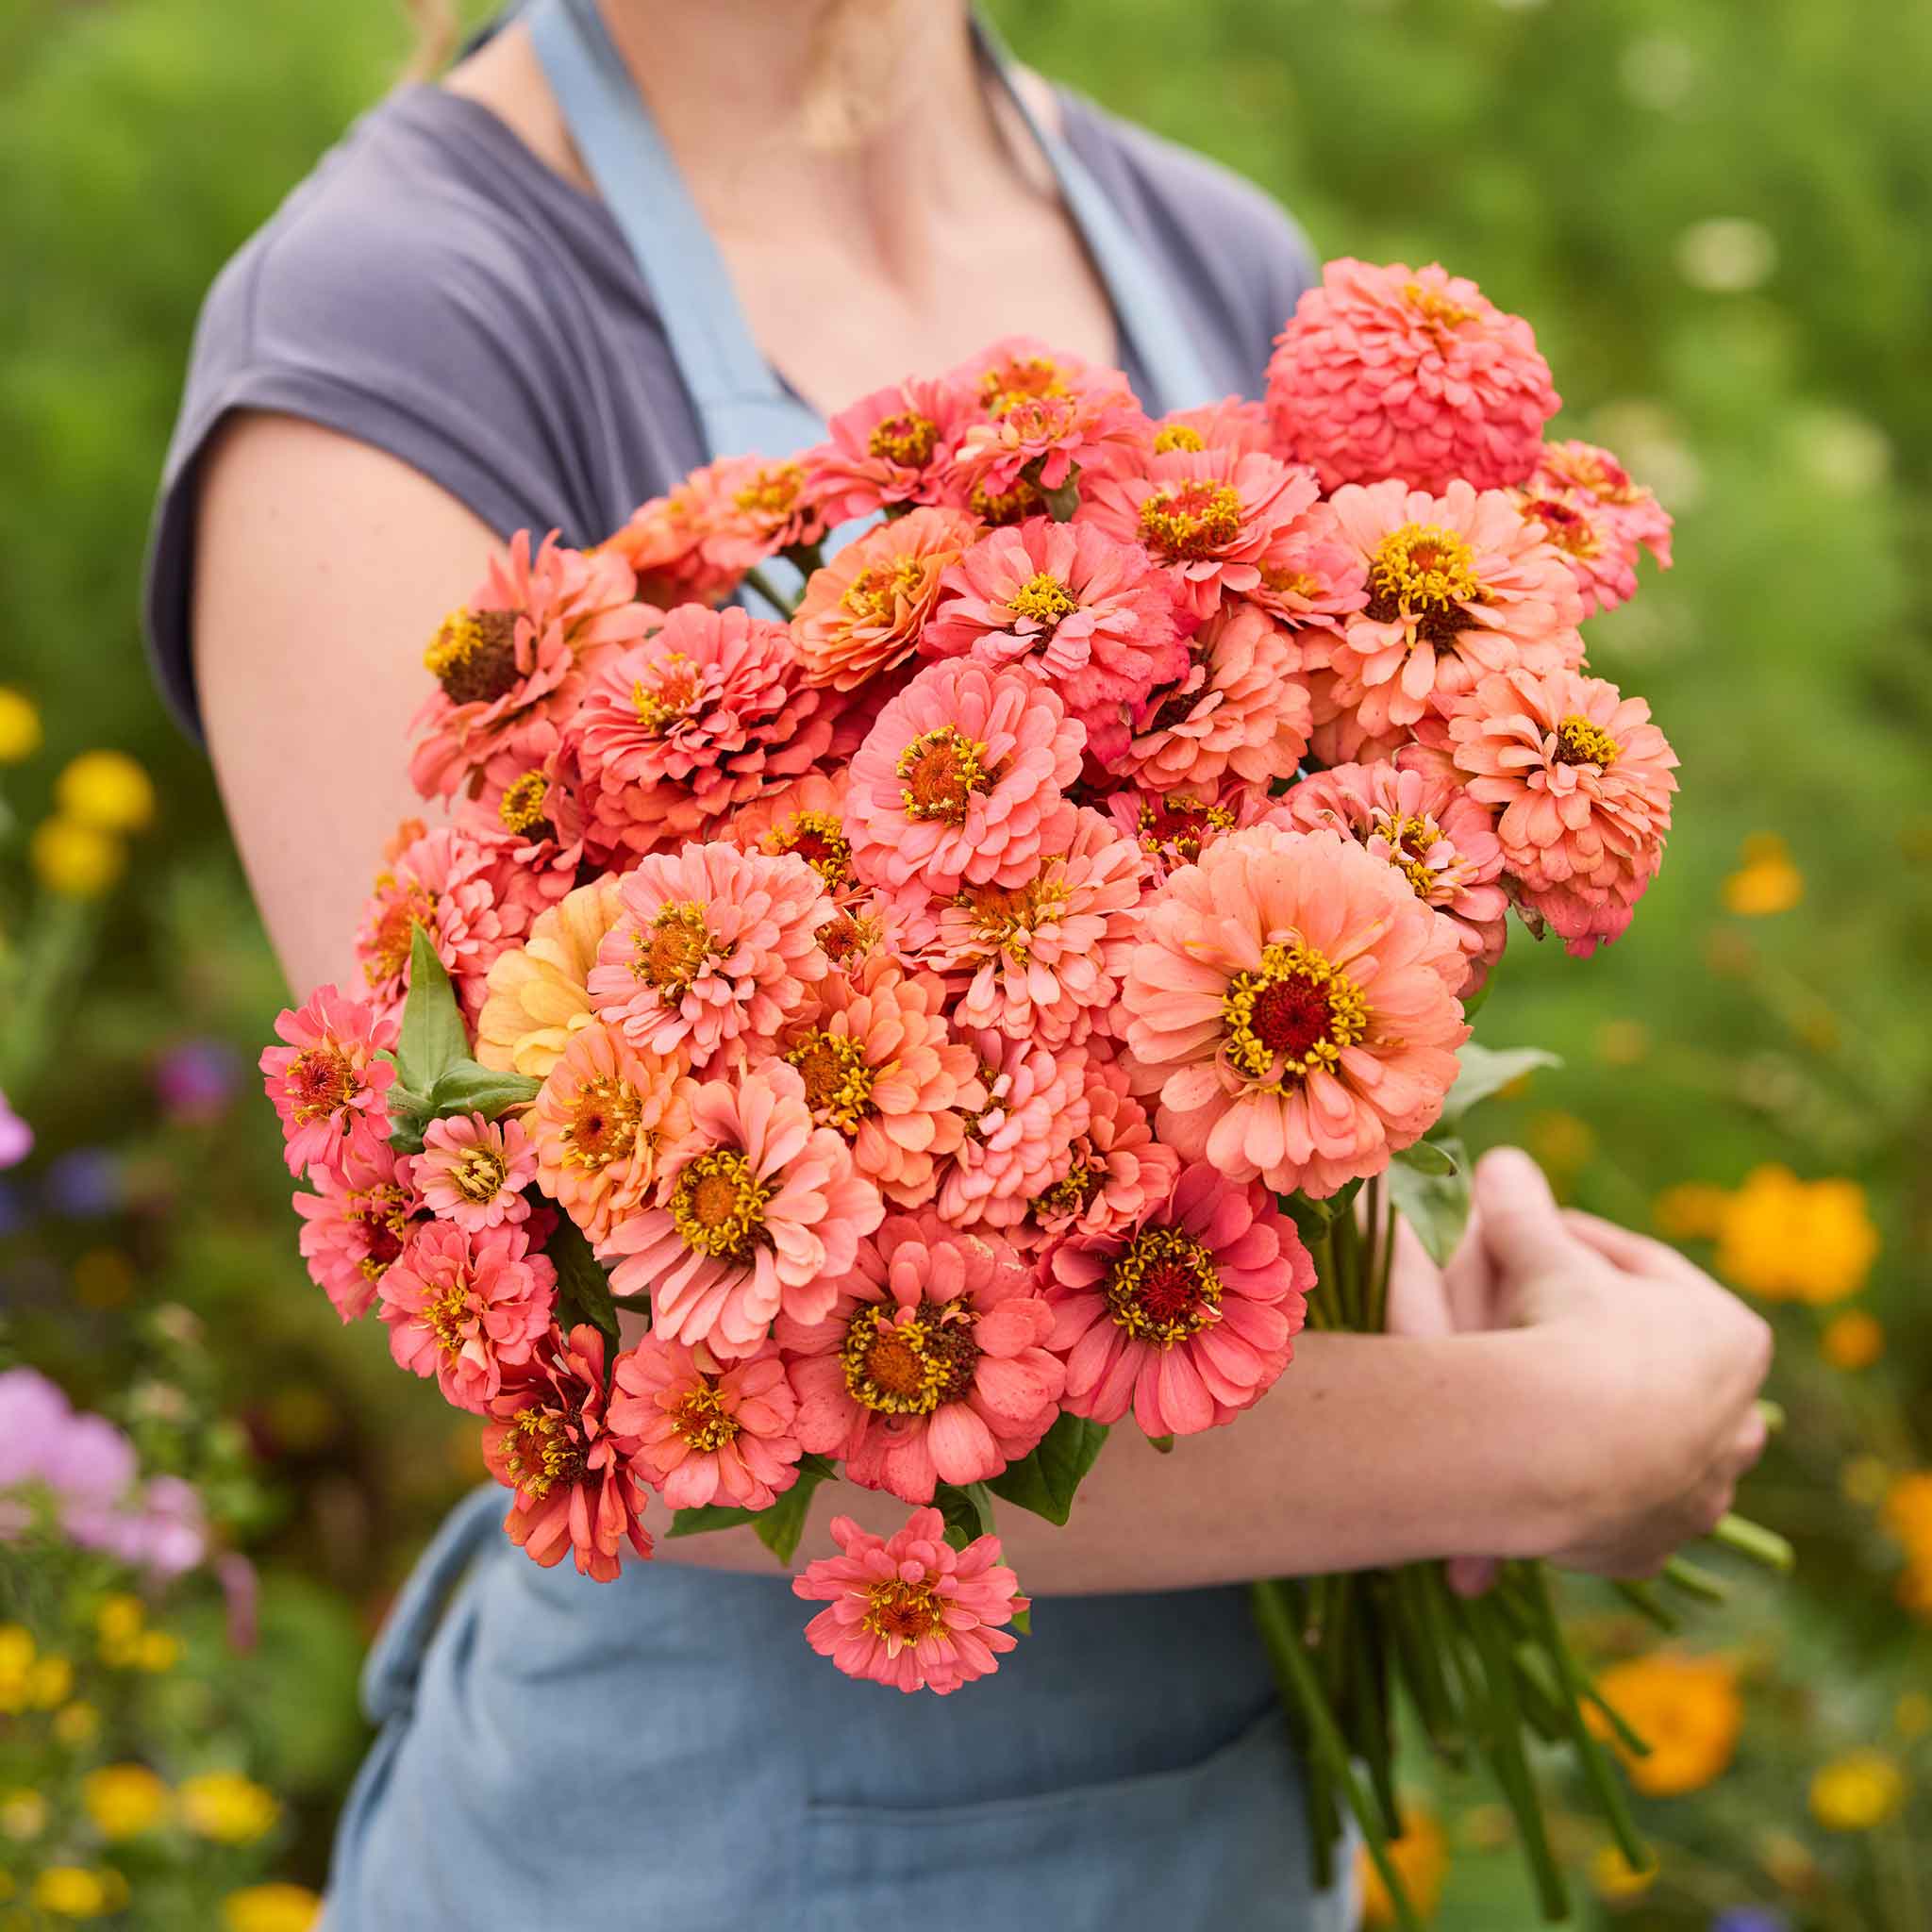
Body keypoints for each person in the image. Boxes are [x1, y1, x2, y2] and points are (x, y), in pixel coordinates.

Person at [144, 3, 1775, 1924]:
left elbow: (1278, 1023)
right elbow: (594, 1376)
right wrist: (1548, 1443)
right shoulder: (389, 333)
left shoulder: (1197, 248)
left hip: (1231, 1840)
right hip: (699, 1856)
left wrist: (1434, 1266)